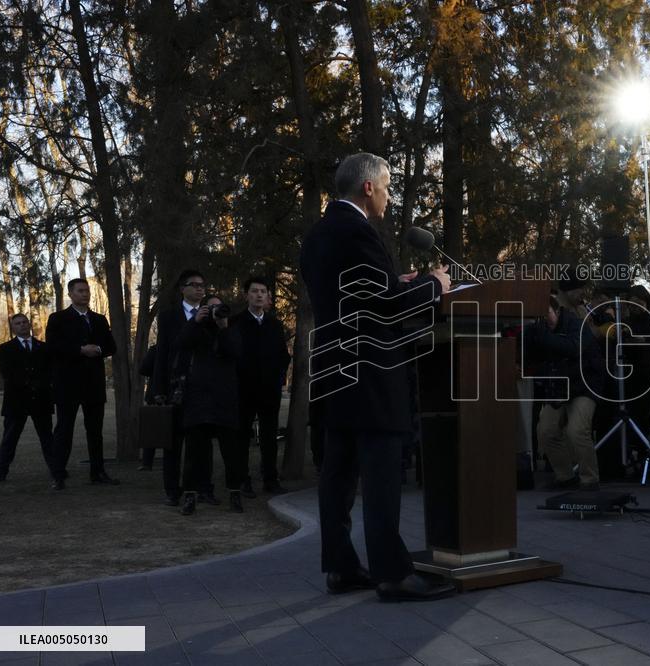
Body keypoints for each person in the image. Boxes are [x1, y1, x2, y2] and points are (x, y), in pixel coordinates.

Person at [300, 152, 454, 602]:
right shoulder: (358, 232)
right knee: (382, 472)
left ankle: (342, 567)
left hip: (336, 370)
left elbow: (358, 296)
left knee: (339, 474)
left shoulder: (319, 235)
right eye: (386, 186)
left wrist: (395, 283)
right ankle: (392, 574)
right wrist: (433, 286)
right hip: (372, 370)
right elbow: (383, 309)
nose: (388, 195)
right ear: (368, 187)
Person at [524, 269, 606, 491]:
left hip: (584, 384)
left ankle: (590, 480)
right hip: (559, 386)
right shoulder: (540, 329)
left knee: (577, 430)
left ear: (557, 310)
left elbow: (571, 348)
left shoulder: (575, 323)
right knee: (546, 431)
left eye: (547, 314)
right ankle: (565, 477)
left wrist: (544, 338)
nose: (544, 319)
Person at [45, 278, 118, 489]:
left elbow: (111, 346)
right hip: (67, 384)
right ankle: (58, 475)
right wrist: (79, 350)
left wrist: (99, 350)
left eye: (87, 291)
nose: (85, 294)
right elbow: (53, 347)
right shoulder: (58, 319)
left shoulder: (99, 319)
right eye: (80, 291)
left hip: (93, 384)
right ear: (71, 294)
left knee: (95, 431)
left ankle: (98, 472)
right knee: (64, 430)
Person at [176, 294, 244, 515]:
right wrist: (195, 321)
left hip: (225, 398)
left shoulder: (230, 329)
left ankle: (235, 493)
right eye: (211, 308)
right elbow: (182, 344)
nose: (215, 312)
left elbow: (235, 352)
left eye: (219, 308)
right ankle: (190, 496)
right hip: (199, 398)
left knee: (231, 452)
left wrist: (224, 327)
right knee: (194, 453)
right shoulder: (196, 328)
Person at [152, 269, 214, 506]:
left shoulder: (211, 315)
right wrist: (158, 388)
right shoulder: (168, 316)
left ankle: (202, 487)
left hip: (202, 387)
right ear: (182, 289)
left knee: (201, 442)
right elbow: (163, 353)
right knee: (174, 442)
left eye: (202, 285)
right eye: (194, 284)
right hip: (176, 385)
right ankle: (172, 489)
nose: (200, 288)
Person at [231, 276, 292, 497]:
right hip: (243, 389)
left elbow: (283, 356)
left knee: (269, 437)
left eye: (263, 291)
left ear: (268, 296)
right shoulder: (236, 322)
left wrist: (277, 377)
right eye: (254, 291)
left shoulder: (274, 325)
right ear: (246, 294)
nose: (259, 295)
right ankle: (242, 480)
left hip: (269, 390)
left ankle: (270, 479)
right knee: (242, 437)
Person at [0, 314, 57, 483]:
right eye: (17, 323)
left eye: (24, 322)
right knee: (10, 439)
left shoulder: (44, 347)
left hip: (40, 399)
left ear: (29, 324)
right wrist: (30, 384)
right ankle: (1, 472)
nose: (22, 325)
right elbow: (8, 374)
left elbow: (50, 372)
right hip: (16, 401)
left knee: (47, 438)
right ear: (13, 328)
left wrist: (40, 385)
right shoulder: (5, 348)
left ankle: (57, 470)